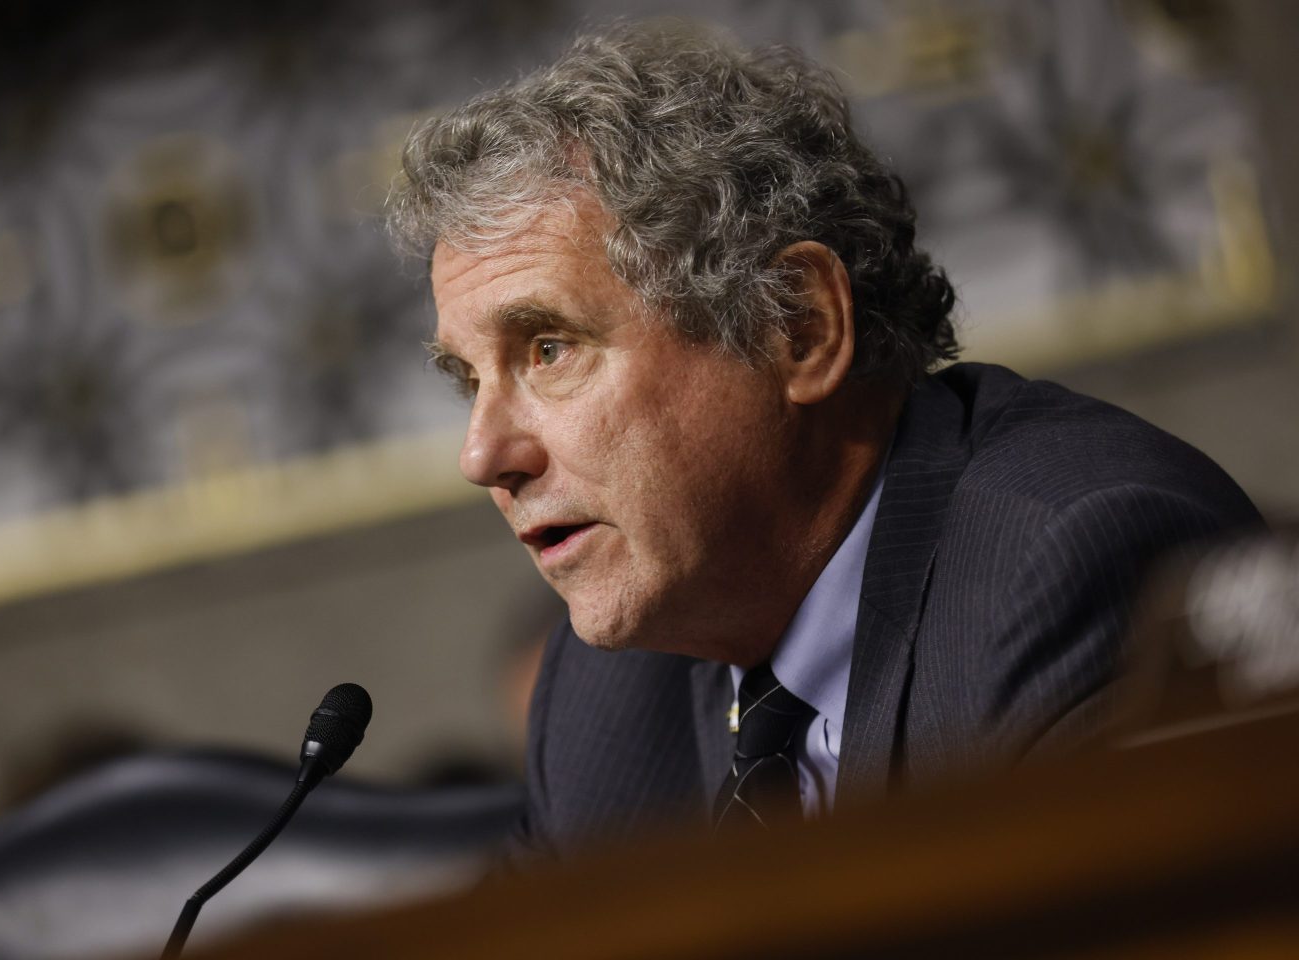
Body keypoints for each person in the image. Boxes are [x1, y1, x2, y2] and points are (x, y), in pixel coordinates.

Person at [386, 22, 1262, 860]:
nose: (483, 455)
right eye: (469, 379)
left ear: (796, 327)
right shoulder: (604, 696)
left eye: (548, 349)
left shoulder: (1071, 568)